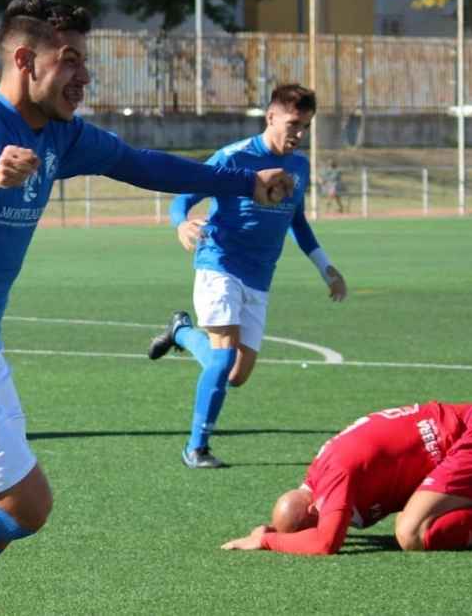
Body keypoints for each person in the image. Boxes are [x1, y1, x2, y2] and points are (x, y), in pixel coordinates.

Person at [0, 0, 295, 616]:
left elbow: (141, 163)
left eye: (86, 60)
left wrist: (244, 181)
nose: (84, 75)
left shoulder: (64, 136)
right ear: (25, 59)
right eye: (70, 59)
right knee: (24, 507)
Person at [147, 84, 347, 469]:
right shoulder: (235, 156)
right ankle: (196, 447)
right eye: (293, 124)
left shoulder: (299, 167)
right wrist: (181, 224)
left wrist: (326, 267)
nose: (299, 134)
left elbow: (297, 220)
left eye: (306, 126)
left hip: (259, 277)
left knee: (236, 375)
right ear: (270, 117)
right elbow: (183, 198)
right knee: (222, 359)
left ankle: (181, 332)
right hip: (218, 263)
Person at [220, 401, 472, 554]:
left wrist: (266, 542)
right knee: (419, 518)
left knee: (411, 533)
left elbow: (325, 544)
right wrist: (273, 530)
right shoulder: (319, 474)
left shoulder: (336, 476)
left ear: (316, 508)